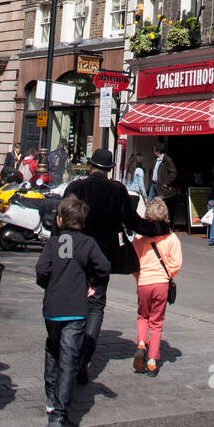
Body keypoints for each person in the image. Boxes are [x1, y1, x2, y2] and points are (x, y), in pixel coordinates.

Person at [65, 148, 168, 383]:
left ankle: (70, 351)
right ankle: (84, 357)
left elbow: (61, 222)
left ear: (91, 166)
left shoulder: (75, 188)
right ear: (110, 169)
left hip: (75, 256)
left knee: (74, 304)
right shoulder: (116, 190)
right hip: (102, 259)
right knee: (96, 306)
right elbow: (132, 221)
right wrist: (159, 228)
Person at [35, 195, 110, 427]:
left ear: (59, 220)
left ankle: (50, 395)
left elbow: (41, 271)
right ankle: (58, 416)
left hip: (53, 307)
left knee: (52, 347)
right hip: (77, 309)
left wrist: (49, 283)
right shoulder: (87, 243)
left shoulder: (53, 243)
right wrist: (93, 283)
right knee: (69, 358)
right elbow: (104, 266)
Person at [131, 197, 182, 378]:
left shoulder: (139, 238)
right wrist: (167, 276)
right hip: (161, 283)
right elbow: (176, 263)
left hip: (144, 282)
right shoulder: (172, 238)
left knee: (142, 316)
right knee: (157, 322)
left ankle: (141, 343)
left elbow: (134, 262)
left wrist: (138, 278)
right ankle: (152, 361)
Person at [148, 141, 179, 225]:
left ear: (157, 151)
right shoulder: (156, 160)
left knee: (159, 207)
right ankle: (150, 224)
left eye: (154, 149)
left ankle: (159, 225)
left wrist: (166, 183)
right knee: (150, 204)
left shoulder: (167, 160)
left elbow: (174, 172)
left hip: (161, 187)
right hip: (153, 185)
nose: (153, 150)